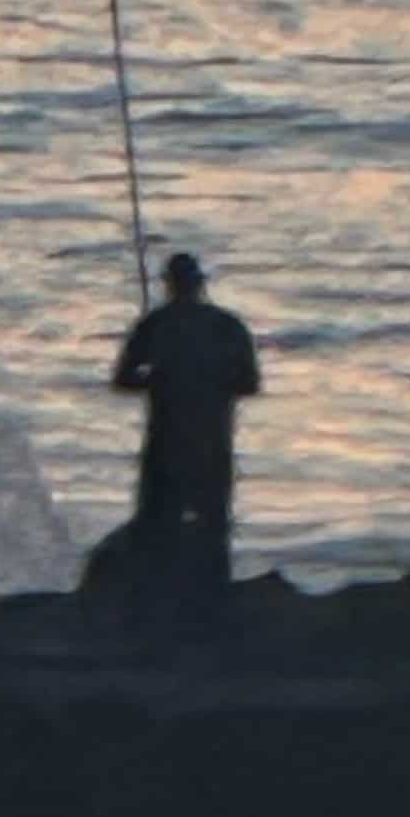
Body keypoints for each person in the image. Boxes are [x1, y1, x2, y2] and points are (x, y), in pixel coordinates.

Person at [109, 248, 262, 606]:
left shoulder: (154, 325)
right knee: (213, 522)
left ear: (169, 286)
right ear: (199, 284)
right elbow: (250, 384)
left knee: (157, 521)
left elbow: (122, 380)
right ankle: (215, 598)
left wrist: (160, 380)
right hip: (212, 443)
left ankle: (155, 601)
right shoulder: (228, 326)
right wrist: (212, 383)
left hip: (165, 442)